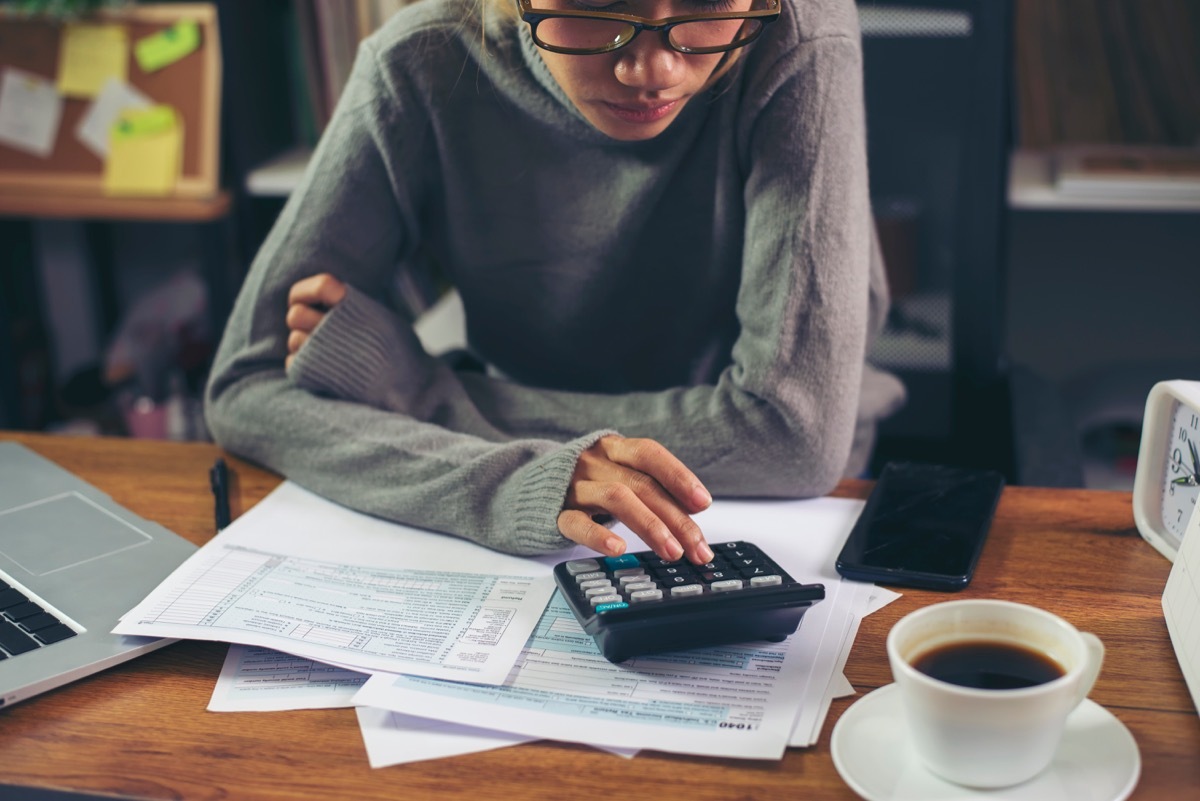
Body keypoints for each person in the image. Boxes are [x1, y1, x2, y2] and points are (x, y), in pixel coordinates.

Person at [204, 0, 905, 567]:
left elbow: (793, 436)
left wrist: (426, 394)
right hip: (517, 486)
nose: (652, 69)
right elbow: (248, 385)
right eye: (599, 5)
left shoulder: (795, 33)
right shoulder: (420, 62)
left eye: (704, 2)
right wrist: (522, 480)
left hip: (764, 502)